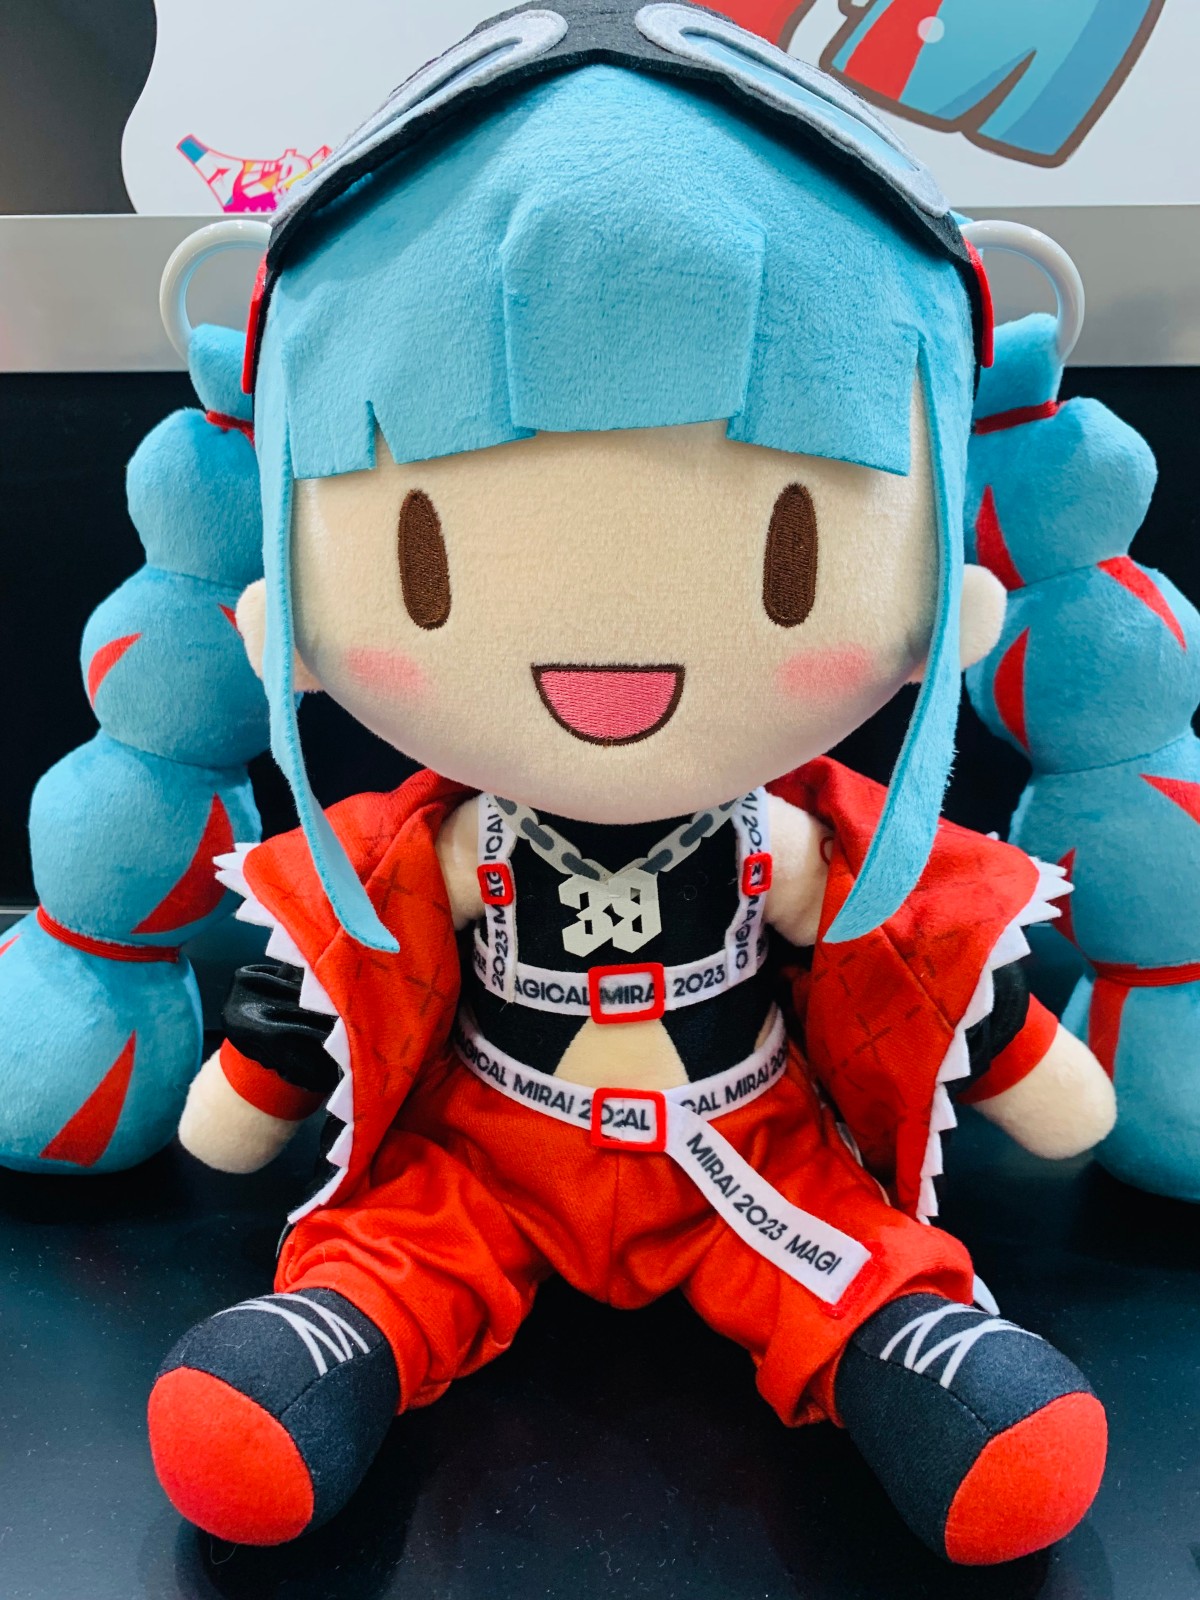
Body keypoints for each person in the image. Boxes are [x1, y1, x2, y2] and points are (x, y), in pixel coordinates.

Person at [148, 1, 1115, 1563]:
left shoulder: (778, 840)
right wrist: (272, 1053)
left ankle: (907, 1344)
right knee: (407, 1247)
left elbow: (899, 940)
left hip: (748, 1144)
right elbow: (368, 943)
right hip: (495, 1141)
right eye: (421, 560)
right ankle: (339, 1331)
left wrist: (995, 1029)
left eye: (798, 555)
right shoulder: (455, 843)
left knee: (843, 1251)